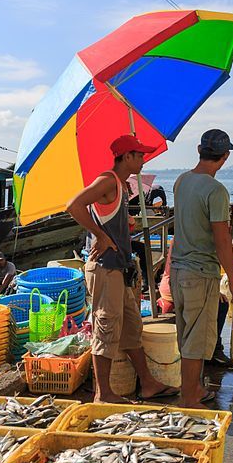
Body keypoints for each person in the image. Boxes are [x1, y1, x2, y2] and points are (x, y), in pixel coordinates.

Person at [67, 133, 177, 404]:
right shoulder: (107, 180)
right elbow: (73, 205)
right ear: (127, 157)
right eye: (139, 155)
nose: (143, 160)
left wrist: (123, 224)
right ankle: (103, 393)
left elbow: (107, 217)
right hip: (105, 268)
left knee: (131, 328)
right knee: (106, 327)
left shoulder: (123, 186)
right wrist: (100, 235)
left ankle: (148, 383)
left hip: (121, 268)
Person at [171, 129, 233, 407]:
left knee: (186, 334)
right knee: (197, 338)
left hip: (178, 269)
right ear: (225, 157)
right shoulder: (216, 190)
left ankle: (194, 388)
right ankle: (189, 397)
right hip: (200, 272)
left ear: (199, 150)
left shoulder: (181, 180)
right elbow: (222, 239)